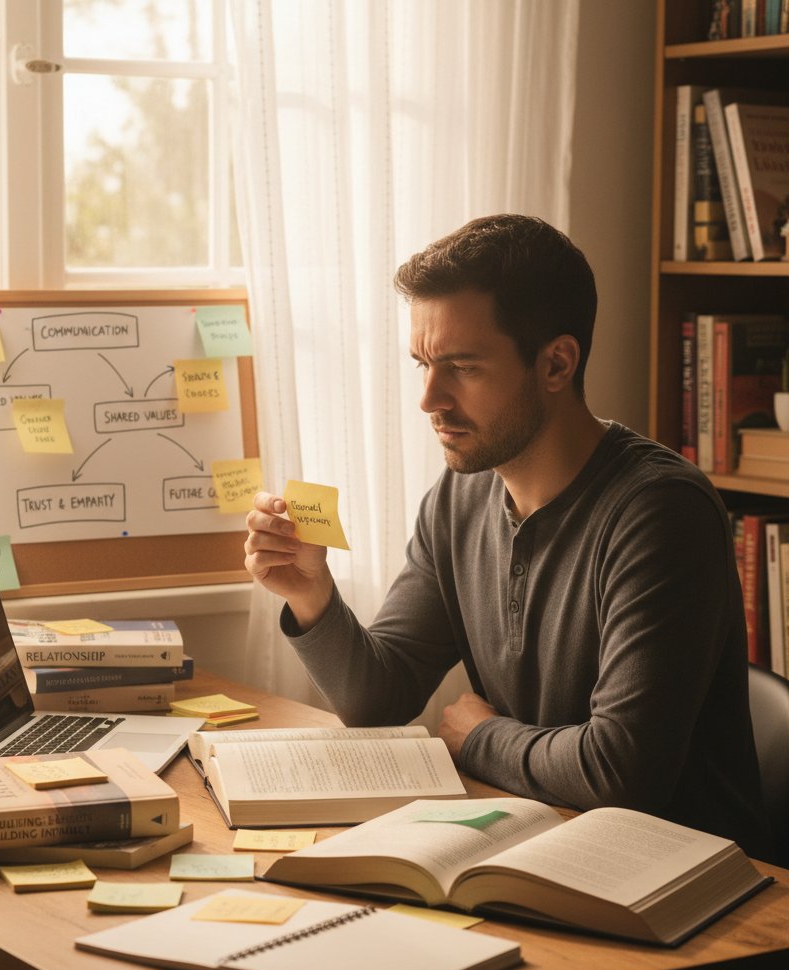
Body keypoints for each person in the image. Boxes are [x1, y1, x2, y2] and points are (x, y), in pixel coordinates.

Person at [244, 213, 773, 864]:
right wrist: (313, 597)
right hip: (547, 851)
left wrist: (484, 737)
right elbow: (378, 700)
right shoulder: (459, 497)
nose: (429, 399)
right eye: (423, 365)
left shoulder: (661, 514)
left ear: (556, 363)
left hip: (685, 894)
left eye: (461, 367)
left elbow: (621, 773)